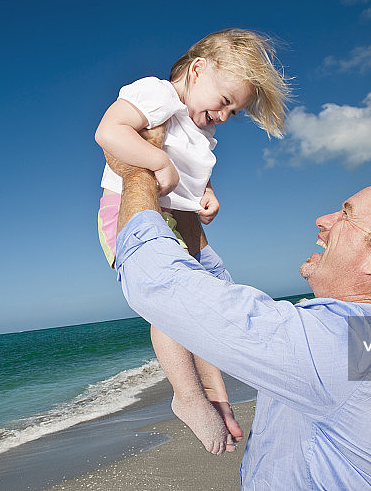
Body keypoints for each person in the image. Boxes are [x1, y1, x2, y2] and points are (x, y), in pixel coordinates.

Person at [107, 130, 371, 489]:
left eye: (346, 214)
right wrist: (186, 197)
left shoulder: (340, 350)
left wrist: (139, 166)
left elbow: (157, 281)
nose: (324, 220)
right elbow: (215, 294)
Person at [94, 28, 290, 454]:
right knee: (172, 305)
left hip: (181, 225)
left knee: (216, 299)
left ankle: (214, 391)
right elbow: (109, 133)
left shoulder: (200, 131)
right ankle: (187, 396)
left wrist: (206, 194)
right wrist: (156, 160)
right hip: (132, 217)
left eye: (232, 112)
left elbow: (194, 172)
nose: (223, 115)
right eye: (224, 102)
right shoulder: (158, 94)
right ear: (197, 70)